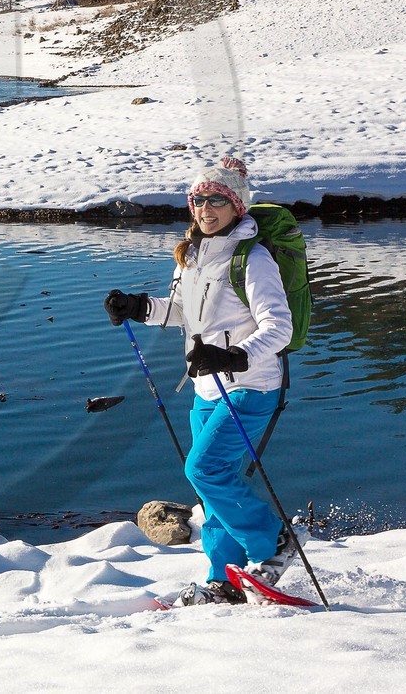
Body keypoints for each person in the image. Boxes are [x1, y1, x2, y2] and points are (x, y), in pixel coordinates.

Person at [104, 157, 297, 606]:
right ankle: (223, 580)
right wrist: (138, 307)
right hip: (207, 388)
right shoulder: (191, 257)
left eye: (215, 200)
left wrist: (235, 354)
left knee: (204, 469)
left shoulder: (254, 259)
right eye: (197, 199)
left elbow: (279, 327)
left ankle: (276, 542)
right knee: (211, 488)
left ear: (236, 207)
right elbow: (185, 315)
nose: (204, 208)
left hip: (252, 385)